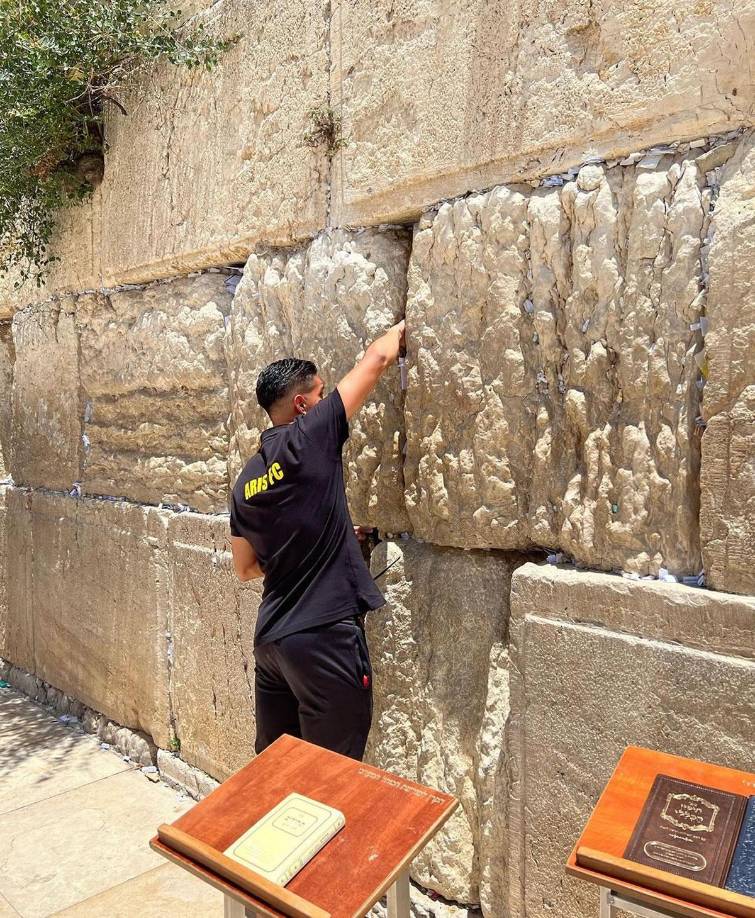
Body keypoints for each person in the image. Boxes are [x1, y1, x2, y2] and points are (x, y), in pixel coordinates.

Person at [228, 319, 406, 760]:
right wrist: (407, 322)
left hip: (272, 644)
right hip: (323, 638)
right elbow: (378, 358)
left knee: (278, 773)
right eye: (321, 394)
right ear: (303, 403)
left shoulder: (245, 481)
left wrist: (322, 541)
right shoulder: (311, 434)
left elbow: (245, 568)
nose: (328, 401)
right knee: (334, 775)